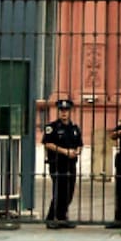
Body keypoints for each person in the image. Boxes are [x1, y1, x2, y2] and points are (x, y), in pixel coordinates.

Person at [42, 98, 83, 229]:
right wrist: (65, 151)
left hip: (71, 164)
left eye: (66, 110)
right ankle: (51, 218)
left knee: (69, 192)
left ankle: (62, 217)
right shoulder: (52, 127)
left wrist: (77, 151)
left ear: (70, 112)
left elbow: (79, 144)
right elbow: (47, 143)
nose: (64, 113)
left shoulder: (74, 128)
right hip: (57, 163)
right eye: (61, 110)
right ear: (58, 112)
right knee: (59, 191)